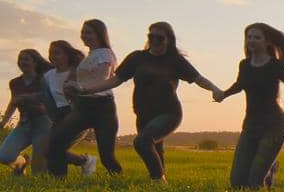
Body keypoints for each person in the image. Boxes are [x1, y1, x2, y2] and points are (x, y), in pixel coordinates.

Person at [70, 21, 224, 182]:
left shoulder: (175, 60)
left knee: (142, 142)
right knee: (156, 149)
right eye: (151, 37)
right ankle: (160, 188)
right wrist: (85, 90)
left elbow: (198, 78)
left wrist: (215, 89)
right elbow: (115, 80)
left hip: (169, 113)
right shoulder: (137, 58)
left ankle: (158, 182)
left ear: (168, 40)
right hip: (143, 113)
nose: (155, 41)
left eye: (160, 38)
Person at [213, 23, 284, 189]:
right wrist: (223, 95)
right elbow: (239, 85)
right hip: (250, 125)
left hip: (273, 125)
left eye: (257, 37)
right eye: (249, 37)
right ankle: (271, 167)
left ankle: (266, 183)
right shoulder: (244, 65)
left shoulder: (275, 66)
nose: (251, 40)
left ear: (267, 42)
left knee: (255, 182)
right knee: (237, 182)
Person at [47, 19, 123, 177]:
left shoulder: (105, 54)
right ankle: (58, 181)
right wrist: (72, 87)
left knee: (107, 156)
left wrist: (81, 89)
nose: (84, 35)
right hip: (84, 106)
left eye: (88, 32)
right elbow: (86, 80)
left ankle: (119, 181)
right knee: (56, 143)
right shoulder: (91, 55)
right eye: (82, 32)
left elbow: (102, 79)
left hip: (103, 108)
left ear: (99, 34)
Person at [42, 39, 96, 177]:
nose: (52, 56)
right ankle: (84, 161)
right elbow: (49, 100)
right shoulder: (48, 76)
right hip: (59, 115)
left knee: (56, 148)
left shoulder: (78, 73)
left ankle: (59, 179)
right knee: (48, 150)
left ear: (67, 55)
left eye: (57, 53)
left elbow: (88, 94)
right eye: (50, 53)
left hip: (77, 113)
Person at [0, 48, 53, 175]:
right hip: (24, 124)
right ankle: (21, 163)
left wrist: (41, 107)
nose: (22, 62)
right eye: (20, 59)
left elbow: (51, 101)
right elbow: (13, 102)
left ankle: (39, 183)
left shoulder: (44, 80)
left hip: (43, 123)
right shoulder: (15, 83)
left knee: (38, 170)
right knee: (4, 156)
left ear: (35, 62)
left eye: (26, 59)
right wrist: (3, 122)